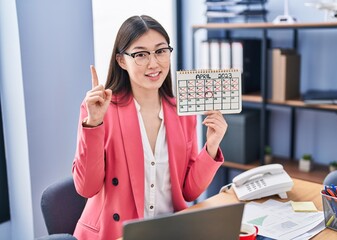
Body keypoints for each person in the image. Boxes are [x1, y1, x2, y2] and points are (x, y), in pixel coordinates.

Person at [72, 15, 228, 239]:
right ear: (122, 61)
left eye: (161, 51)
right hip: (114, 234)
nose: (154, 63)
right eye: (141, 54)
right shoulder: (99, 109)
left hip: (168, 232)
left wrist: (211, 145)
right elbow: (86, 188)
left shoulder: (181, 111)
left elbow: (189, 191)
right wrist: (93, 124)